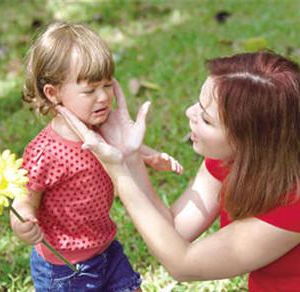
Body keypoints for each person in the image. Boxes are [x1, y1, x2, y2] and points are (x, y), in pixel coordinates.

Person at [58, 50, 300, 291]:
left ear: (251, 140)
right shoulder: (234, 157)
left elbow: (183, 264)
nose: (189, 114)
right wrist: (128, 157)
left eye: (207, 118)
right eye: (199, 105)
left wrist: (121, 172)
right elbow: (175, 232)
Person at [10, 22, 182, 292]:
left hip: (106, 248)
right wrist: (22, 220)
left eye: (106, 85)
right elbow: (24, 196)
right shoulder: (46, 151)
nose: (103, 97)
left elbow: (122, 147)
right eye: (89, 90)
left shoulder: (101, 127)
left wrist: (150, 156)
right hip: (65, 267)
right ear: (53, 93)